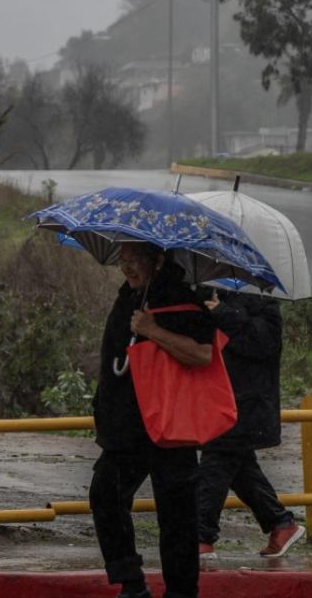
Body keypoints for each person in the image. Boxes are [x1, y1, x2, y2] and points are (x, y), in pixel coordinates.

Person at [91, 242, 215, 598]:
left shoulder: (179, 299)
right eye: (122, 259)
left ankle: (180, 592)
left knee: (177, 517)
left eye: (134, 260)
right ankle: (131, 583)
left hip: (169, 426)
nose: (126, 267)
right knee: (105, 494)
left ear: (157, 260)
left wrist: (154, 330)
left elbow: (203, 354)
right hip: (127, 428)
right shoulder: (130, 296)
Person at [196, 288, 303, 560]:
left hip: (246, 401)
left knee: (216, 459)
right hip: (218, 395)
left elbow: (264, 342)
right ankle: (281, 523)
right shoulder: (208, 290)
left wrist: (222, 314)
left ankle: (202, 537)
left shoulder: (260, 297)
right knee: (241, 468)